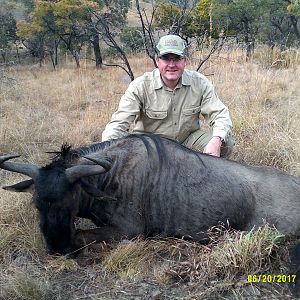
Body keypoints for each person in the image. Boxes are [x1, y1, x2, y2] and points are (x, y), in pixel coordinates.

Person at [102, 34, 234, 158]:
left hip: (187, 141)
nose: (171, 65)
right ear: (157, 60)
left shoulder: (199, 82)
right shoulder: (140, 86)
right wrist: (105, 152)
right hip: (150, 146)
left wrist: (216, 140)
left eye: (177, 58)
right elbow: (119, 123)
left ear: (185, 61)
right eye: (166, 58)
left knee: (225, 144)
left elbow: (220, 115)